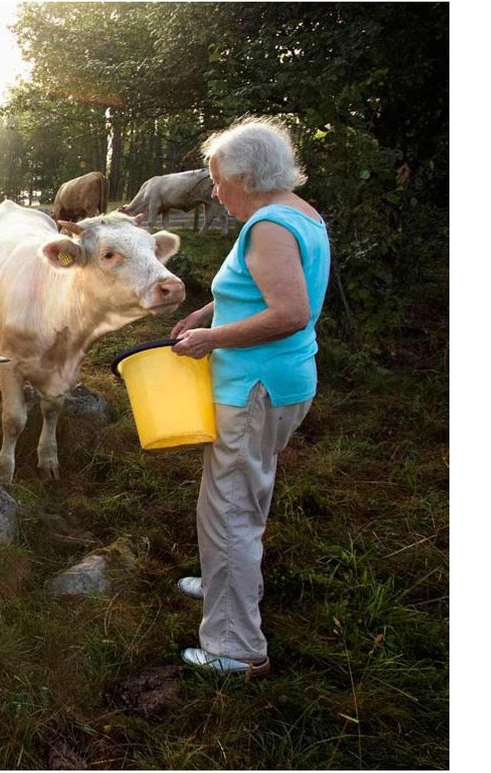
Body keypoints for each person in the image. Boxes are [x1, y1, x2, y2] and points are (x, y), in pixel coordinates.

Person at [169, 116, 330, 677]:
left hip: (254, 388)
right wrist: (210, 309)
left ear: (245, 175)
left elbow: (290, 311)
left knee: (231, 508)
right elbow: (272, 288)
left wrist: (210, 339)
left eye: (218, 180)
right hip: (285, 382)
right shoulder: (301, 213)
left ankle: (234, 644)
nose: (215, 191)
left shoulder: (267, 227)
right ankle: (225, 581)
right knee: (244, 493)